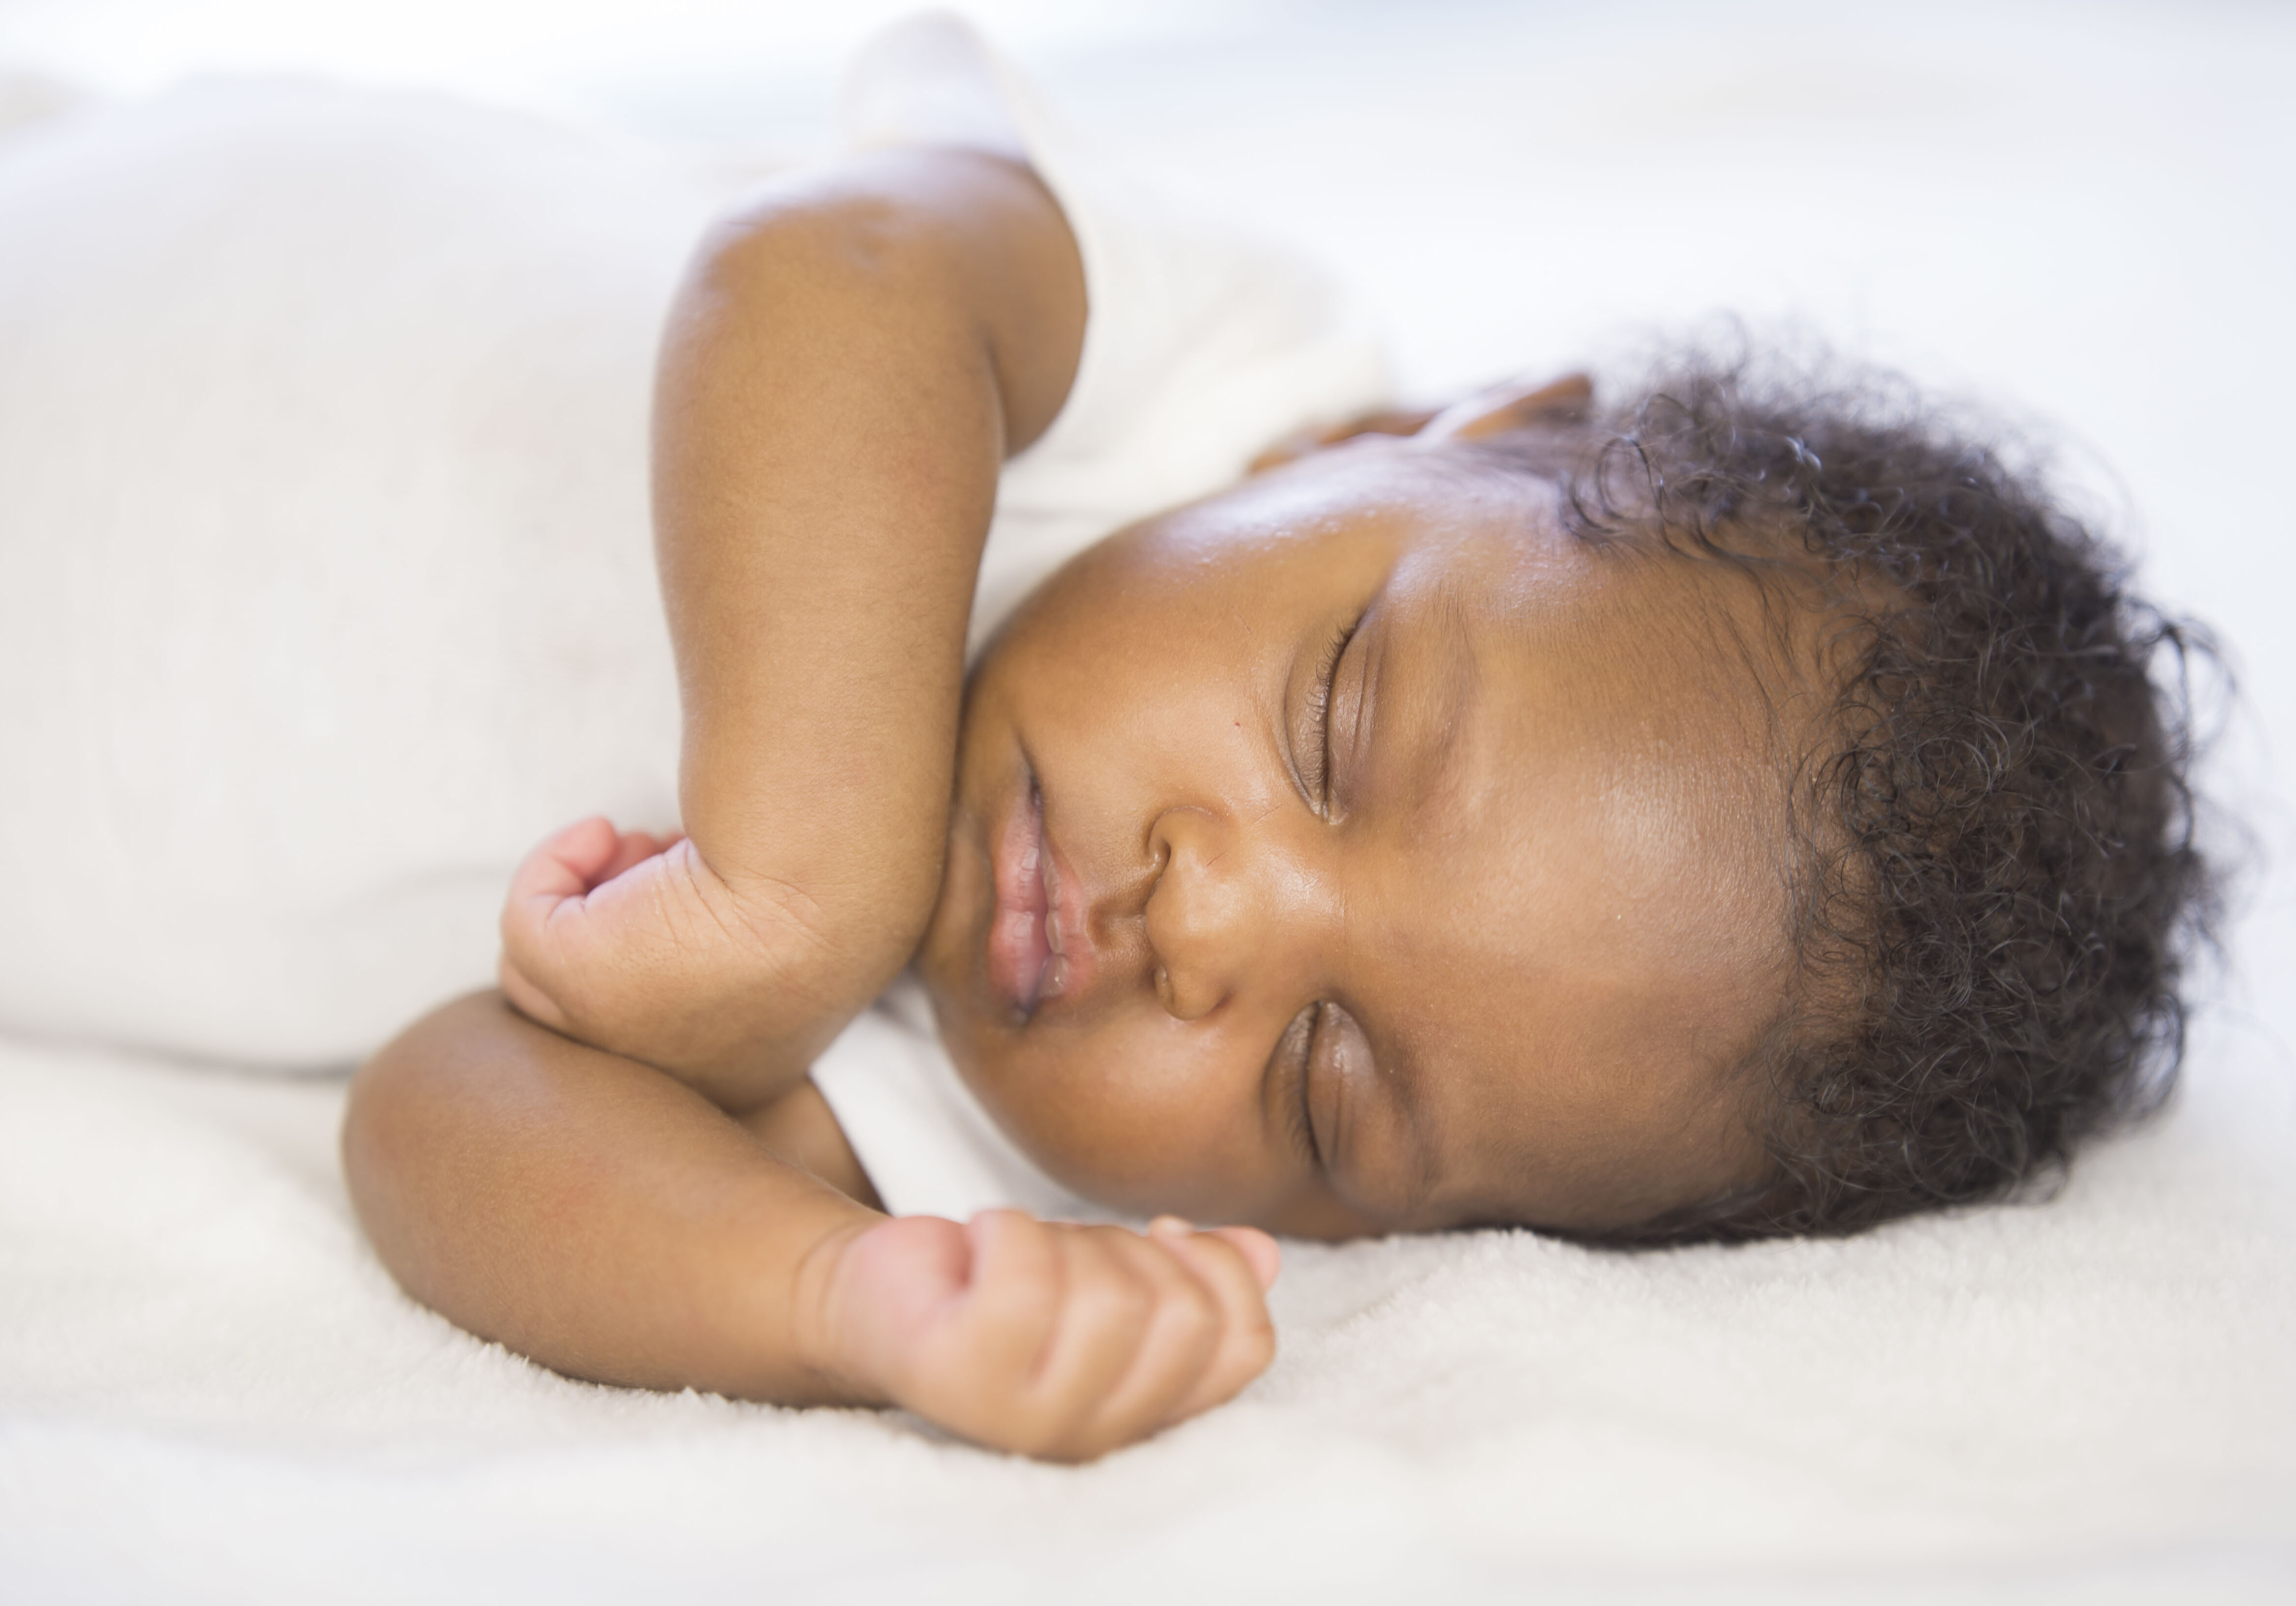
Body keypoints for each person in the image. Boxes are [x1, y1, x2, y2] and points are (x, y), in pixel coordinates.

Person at [339, 16, 2211, 1462]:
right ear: (1438, 435)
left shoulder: (997, 1147)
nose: (1206, 924)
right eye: (1334, 724)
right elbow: (828, 271)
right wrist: (795, 888)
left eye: (1325, 1085)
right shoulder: (1176, 373)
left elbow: (443, 1117)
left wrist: (839, 1297)